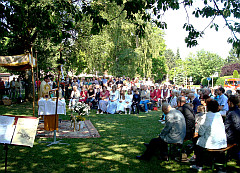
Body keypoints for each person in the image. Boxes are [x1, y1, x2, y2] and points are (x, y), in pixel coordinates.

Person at [191, 99, 227, 172]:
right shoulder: (219, 115)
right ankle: (217, 165)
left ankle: (199, 164)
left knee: (197, 143)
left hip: (212, 142)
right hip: (222, 141)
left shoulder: (206, 116)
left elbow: (201, 131)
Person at [225, 95, 240, 165]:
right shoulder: (238, 111)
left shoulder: (231, 113)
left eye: (228, 102)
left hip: (232, 136)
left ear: (230, 103)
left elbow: (227, 127)